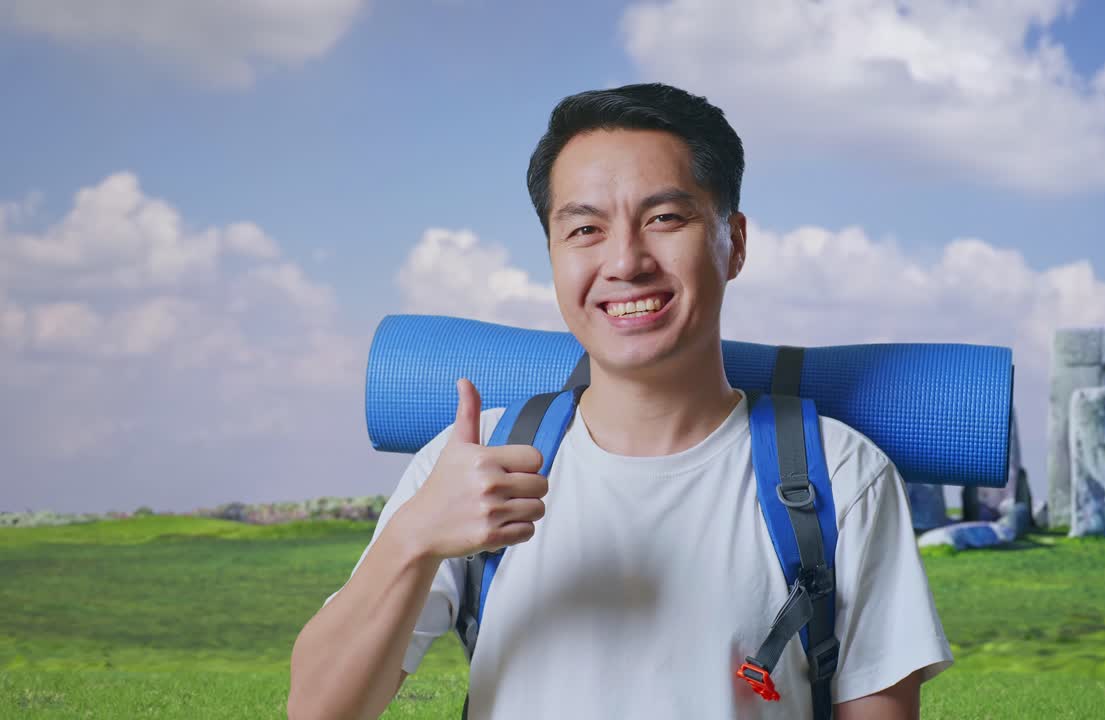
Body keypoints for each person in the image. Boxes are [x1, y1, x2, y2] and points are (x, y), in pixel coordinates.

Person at [288, 82, 952, 719]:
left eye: (665, 218)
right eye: (584, 230)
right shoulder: (476, 463)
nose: (626, 261)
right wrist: (415, 537)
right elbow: (317, 710)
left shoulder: (840, 477)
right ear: (551, 252)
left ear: (735, 242)